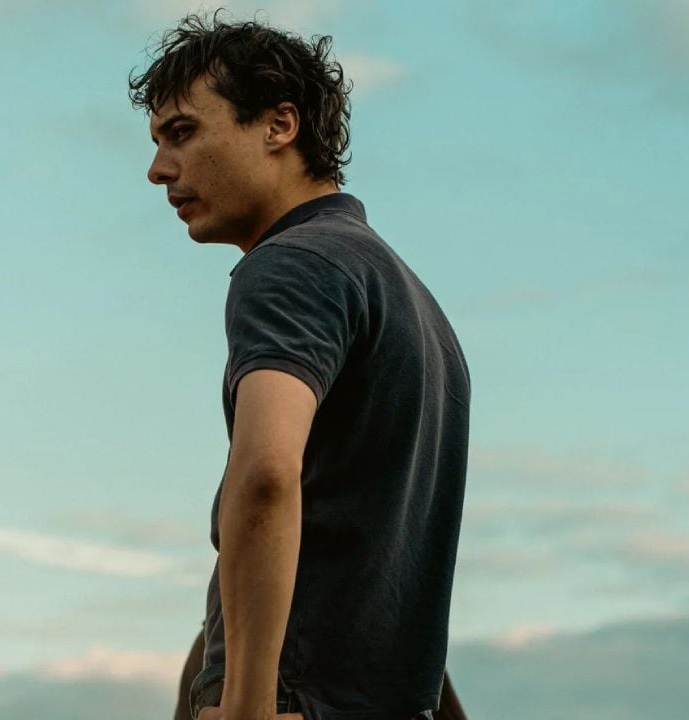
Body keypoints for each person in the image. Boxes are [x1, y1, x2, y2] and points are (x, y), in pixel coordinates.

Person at [129, 12, 471, 720]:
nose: (159, 169)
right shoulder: (409, 299)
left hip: (289, 699)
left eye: (182, 132)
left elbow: (265, 474)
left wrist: (247, 704)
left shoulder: (292, 265)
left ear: (279, 125)